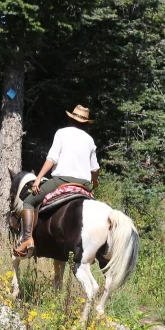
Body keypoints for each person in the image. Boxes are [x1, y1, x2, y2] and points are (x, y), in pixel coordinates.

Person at [14, 105, 100, 257]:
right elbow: (95, 169)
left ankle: (27, 239)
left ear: (71, 119)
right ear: (86, 123)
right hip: (84, 184)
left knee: (28, 202)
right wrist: (95, 183)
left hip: (61, 180)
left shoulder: (62, 133)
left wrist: (39, 178)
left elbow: (52, 159)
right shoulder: (90, 140)